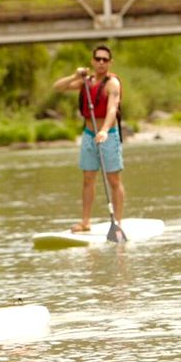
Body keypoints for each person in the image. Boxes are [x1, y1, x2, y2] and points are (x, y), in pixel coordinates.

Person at [53, 43, 124, 232]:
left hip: (108, 135)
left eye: (105, 60)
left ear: (110, 62)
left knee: (114, 180)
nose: (101, 63)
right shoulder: (86, 81)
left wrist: (105, 130)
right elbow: (58, 87)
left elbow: (112, 108)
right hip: (88, 134)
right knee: (87, 179)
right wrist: (75, 76)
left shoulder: (112, 83)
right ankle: (85, 222)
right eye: (98, 59)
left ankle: (117, 222)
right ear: (92, 61)